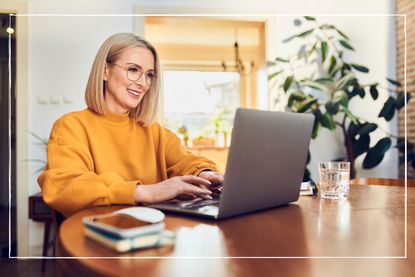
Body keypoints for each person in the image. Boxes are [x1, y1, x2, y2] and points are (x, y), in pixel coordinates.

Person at [37, 33, 224, 217]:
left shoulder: (153, 131)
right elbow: (66, 186)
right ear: (105, 71)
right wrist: (144, 192)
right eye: (133, 70)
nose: (143, 83)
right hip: (96, 236)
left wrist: (205, 174)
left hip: (153, 234)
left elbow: (187, 161)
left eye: (149, 75)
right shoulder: (71, 126)